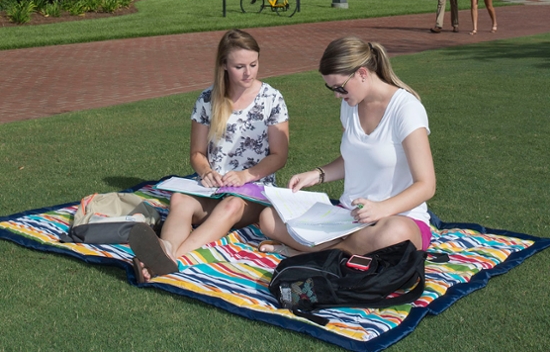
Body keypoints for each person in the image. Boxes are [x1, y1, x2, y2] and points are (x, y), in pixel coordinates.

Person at [130, 29, 289, 280]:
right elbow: (197, 153)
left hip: (254, 191)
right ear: (224, 65)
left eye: (253, 64)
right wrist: (205, 171)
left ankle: (171, 259)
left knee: (232, 204)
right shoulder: (207, 99)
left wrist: (245, 175)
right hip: (214, 187)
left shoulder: (272, 99)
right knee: (180, 199)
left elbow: (279, 155)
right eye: (240, 66)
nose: (248, 72)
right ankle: (166, 251)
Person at [259, 37, 435, 257]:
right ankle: (338, 251)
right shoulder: (349, 105)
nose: (337, 95)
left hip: (397, 218)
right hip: (349, 219)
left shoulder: (406, 109)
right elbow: (355, 158)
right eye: (331, 88)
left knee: (395, 234)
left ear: (362, 74)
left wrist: (382, 209)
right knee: (268, 217)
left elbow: (426, 185)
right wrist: (317, 174)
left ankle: (308, 254)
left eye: (340, 88)